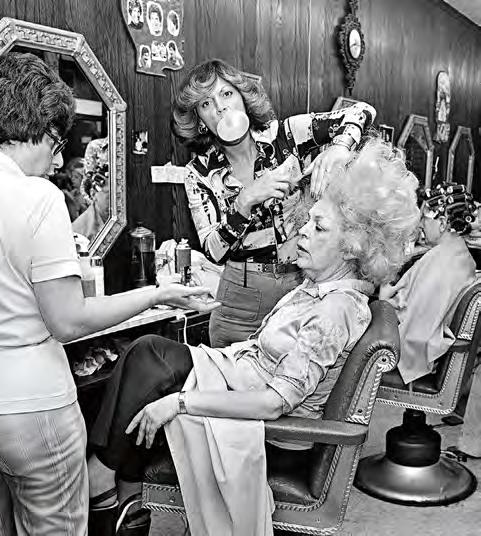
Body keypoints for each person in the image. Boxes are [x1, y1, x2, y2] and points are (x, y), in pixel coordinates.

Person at [0, 52, 217, 536]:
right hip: (25, 408)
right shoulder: (35, 196)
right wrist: (155, 295)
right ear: (36, 129)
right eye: (57, 143)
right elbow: (68, 320)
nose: (58, 160)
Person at [86, 137, 420, 535]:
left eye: (318, 227)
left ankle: (107, 482)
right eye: (308, 221)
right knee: (146, 357)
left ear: (352, 246)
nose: (302, 233)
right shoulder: (316, 289)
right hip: (239, 382)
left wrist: (179, 402)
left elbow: (274, 404)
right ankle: (115, 488)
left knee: (149, 361)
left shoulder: (334, 311)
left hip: (271, 436)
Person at [172, 59, 377, 347]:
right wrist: (244, 202)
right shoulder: (199, 173)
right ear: (200, 120)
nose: (220, 108)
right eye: (206, 104)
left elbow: (362, 111)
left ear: (243, 98)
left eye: (226, 94)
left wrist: (341, 147)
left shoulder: (286, 135)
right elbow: (213, 251)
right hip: (239, 304)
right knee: (232, 373)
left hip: (300, 286)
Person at [379, 182, 477, 384]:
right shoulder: (458, 254)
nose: (420, 225)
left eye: (424, 218)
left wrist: (383, 301)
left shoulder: (441, 264)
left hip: (407, 359)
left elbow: (414, 333)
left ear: (442, 223)